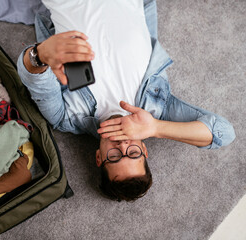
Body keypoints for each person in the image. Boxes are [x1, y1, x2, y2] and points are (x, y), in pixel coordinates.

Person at [17, 0, 235, 201]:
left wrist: (41, 54)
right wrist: (156, 128)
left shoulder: (67, 117)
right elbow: (223, 133)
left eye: (114, 156)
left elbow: (34, 77)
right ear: (144, 150)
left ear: (99, 158)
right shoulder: (158, 108)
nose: (122, 144)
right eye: (132, 153)